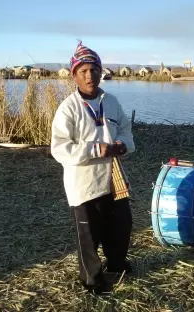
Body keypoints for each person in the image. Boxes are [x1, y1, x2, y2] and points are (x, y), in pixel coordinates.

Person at [50, 41, 136, 295]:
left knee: (121, 224)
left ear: (101, 72)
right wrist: (94, 149)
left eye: (94, 70)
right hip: (84, 182)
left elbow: (125, 130)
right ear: (74, 75)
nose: (90, 76)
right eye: (84, 71)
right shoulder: (68, 108)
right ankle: (92, 279)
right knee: (89, 234)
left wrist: (123, 145)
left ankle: (117, 264)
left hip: (113, 177)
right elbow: (59, 148)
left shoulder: (111, 101)